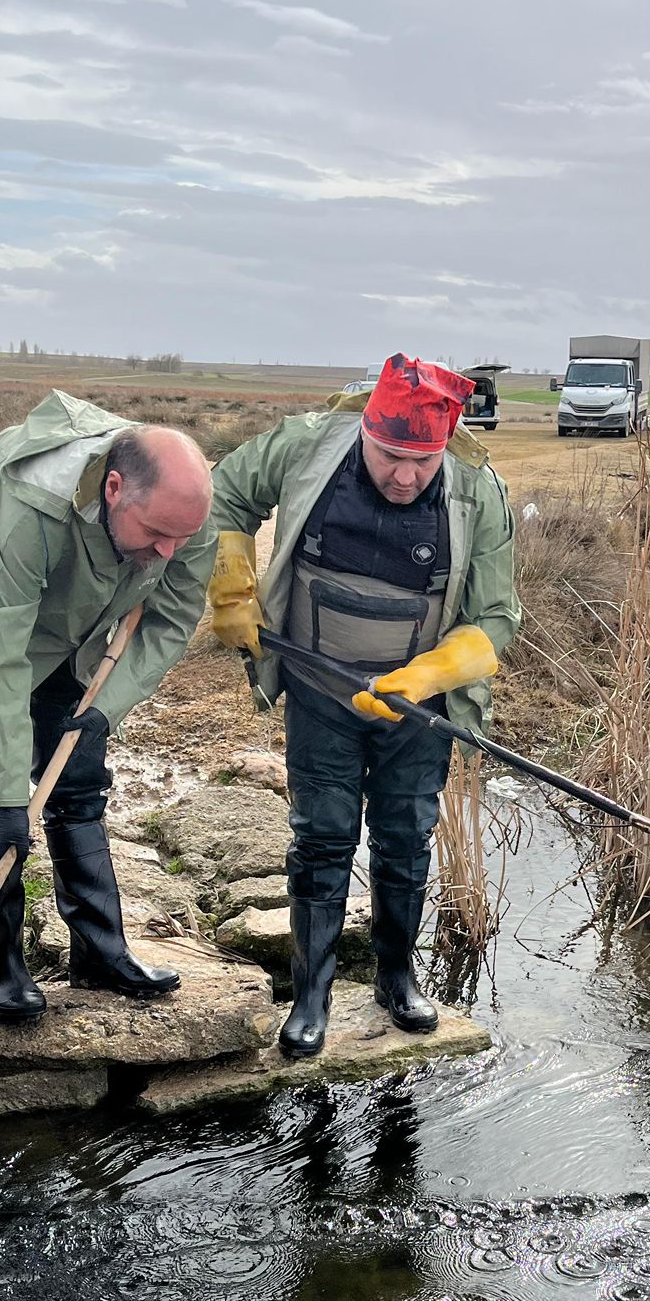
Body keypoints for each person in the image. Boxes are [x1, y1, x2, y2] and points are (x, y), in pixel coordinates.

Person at [208, 354, 521, 1060]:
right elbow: (226, 493)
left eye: (422, 462)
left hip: (415, 712)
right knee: (320, 837)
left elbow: (498, 617)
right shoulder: (307, 445)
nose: (406, 477)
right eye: (389, 458)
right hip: (322, 694)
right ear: (364, 436)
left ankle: (396, 978)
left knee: (405, 840)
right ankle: (311, 993)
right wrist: (230, 586)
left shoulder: (477, 490)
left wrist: (429, 673)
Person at [0, 390, 216, 1024]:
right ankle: (4, 965)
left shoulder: (183, 513)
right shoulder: (27, 504)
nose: (171, 551)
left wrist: (105, 708)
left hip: (74, 622)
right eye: (156, 535)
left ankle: (101, 952)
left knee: (79, 780)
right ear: (113, 488)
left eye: (183, 536)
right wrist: (9, 795)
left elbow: (172, 617)